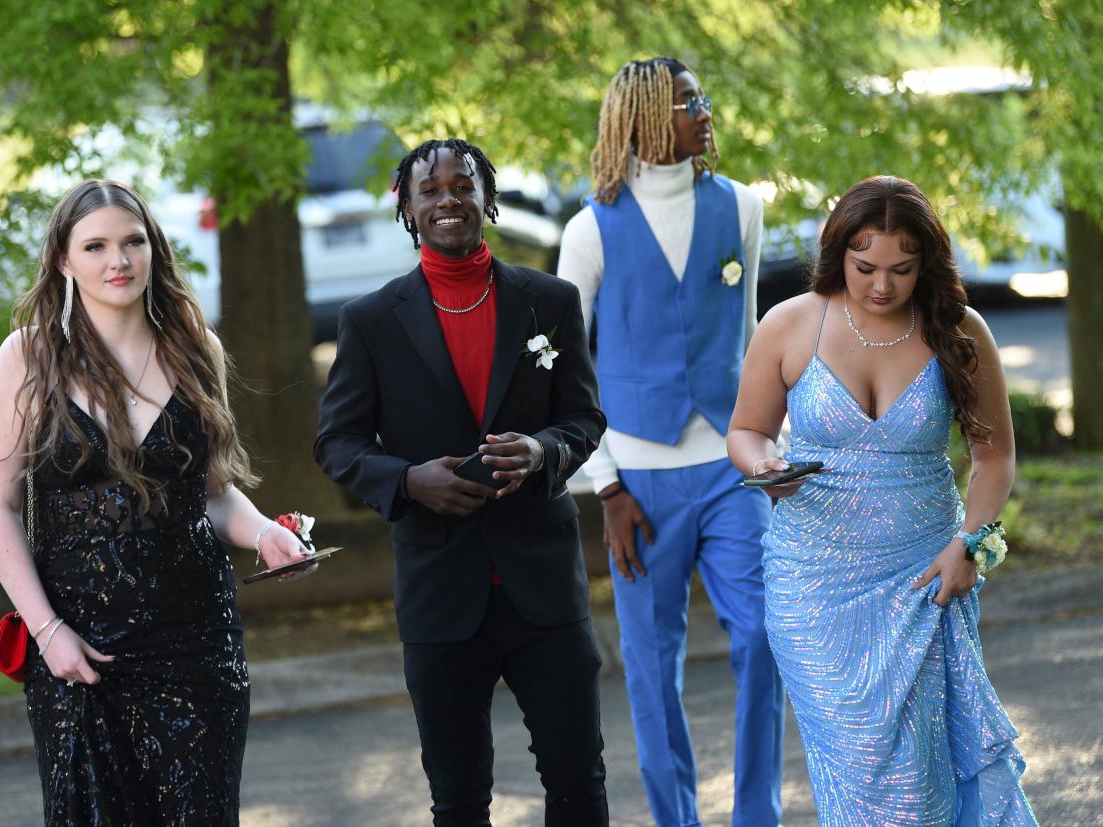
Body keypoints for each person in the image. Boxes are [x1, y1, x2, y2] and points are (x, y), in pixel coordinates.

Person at [0, 179, 314, 825]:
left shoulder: (195, 348)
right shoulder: (29, 356)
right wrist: (48, 632)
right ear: (63, 259)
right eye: (96, 245)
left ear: (154, 248)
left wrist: (267, 531)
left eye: (133, 241)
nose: (118, 260)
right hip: (80, 647)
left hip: (195, 643)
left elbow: (212, 495)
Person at [314, 138, 609, 826]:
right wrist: (409, 480)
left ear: (487, 197)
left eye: (462, 185)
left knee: (576, 776)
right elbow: (337, 443)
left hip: (543, 585)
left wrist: (541, 451)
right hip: (439, 590)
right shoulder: (369, 321)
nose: (447, 199)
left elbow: (585, 417)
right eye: (430, 190)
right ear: (408, 209)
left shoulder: (551, 302)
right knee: (458, 795)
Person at [728, 175, 1038, 824]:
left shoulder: (958, 330)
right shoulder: (789, 324)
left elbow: (994, 456)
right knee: (856, 772)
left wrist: (970, 546)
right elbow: (746, 430)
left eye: (902, 268)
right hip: (813, 592)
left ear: (927, 261)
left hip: (927, 578)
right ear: (837, 250)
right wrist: (767, 465)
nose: (881, 285)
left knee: (921, 784)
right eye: (864, 265)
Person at [557, 56, 784, 827]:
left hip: (729, 469)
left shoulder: (744, 208)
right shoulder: (589, 230)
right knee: (653, 674)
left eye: (701, 98)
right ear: (646, 118)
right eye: (687, 102)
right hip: (639, 485)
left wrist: (764, 447)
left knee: (763, 635)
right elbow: (568, 376)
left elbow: (751, 339)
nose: (703, 110)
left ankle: (758, 813)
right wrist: (607, 487)